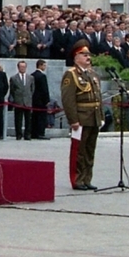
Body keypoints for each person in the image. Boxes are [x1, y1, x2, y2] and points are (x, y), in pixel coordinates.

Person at [61, 39, 102, 190]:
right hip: (81, 118)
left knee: (90, 150)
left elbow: (98, 97)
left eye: (88, 54)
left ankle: (87, 178)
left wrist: (101, 116)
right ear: (76, 57)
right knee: (79, 151)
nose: (88, 57)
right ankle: (77, 179)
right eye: (84, 55)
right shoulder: (71, 75)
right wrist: (73, 120)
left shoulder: (92, 74)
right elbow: (68, 99)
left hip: (94, 117)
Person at [9, 60, 34, 140]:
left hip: (27, 101)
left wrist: (28, 97)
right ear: (18, 67)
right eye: (21, 66)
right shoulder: (13, 78)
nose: (22, 68)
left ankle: (27, 135)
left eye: (24, 66)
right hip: (18, 101)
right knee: (18, 119)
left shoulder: (30, 78)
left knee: (28, 120)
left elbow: (32, 89)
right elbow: (12, 90)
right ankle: (18, 134)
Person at [31, 59, 51, 139]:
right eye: (44, 65)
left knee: (34, 117)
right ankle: (40, 133)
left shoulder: (32, 75)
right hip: (41, 101)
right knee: (41, 117)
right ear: (40, 65)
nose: (45, 67)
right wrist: (47, 100)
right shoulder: (42, 76)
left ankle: (34, 133)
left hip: (34, 100)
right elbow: (44, 89)